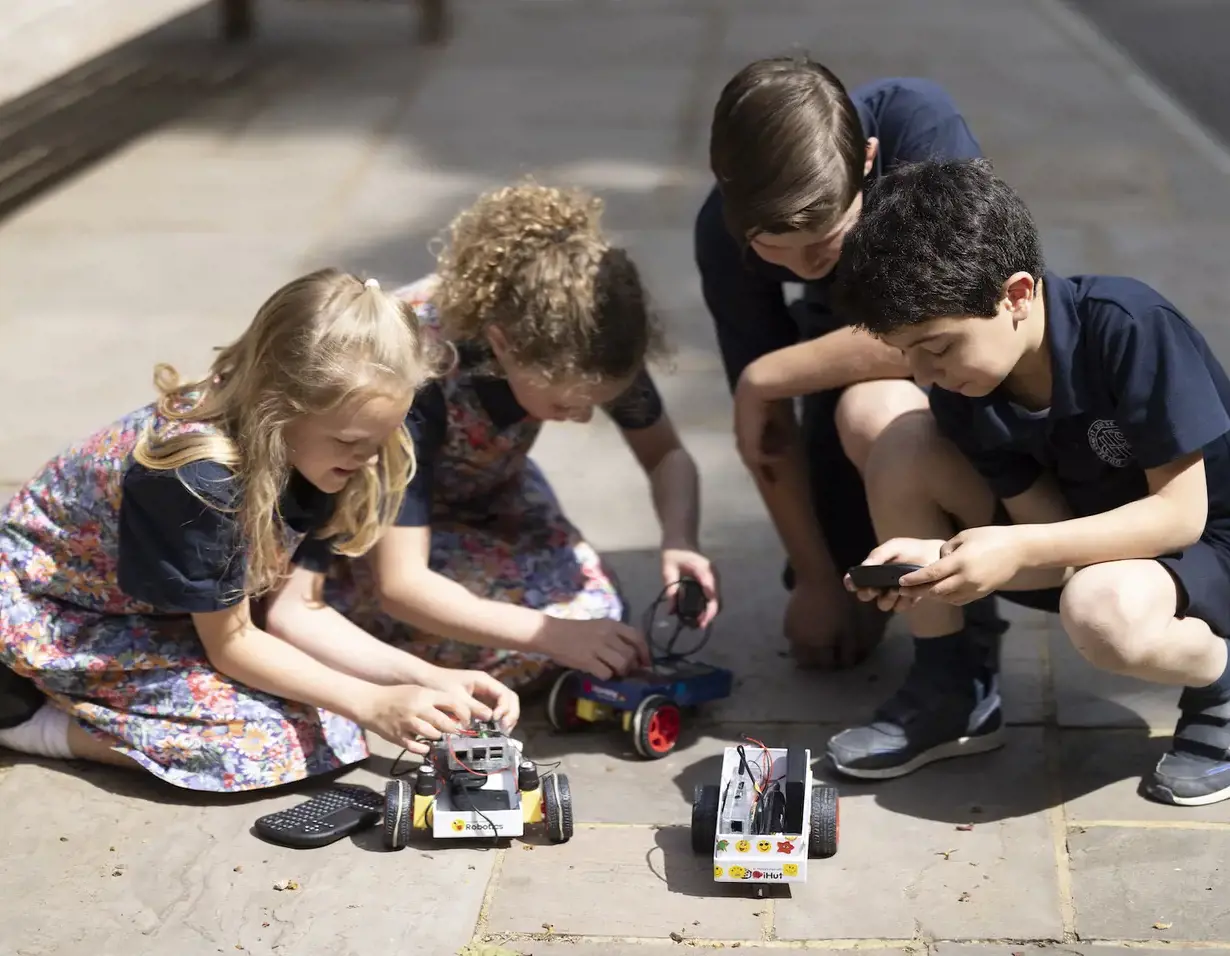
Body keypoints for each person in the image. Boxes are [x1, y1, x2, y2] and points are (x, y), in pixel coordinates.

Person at [0, 268, 518, 792]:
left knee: (330, 725)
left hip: (161, 609)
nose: (366, 458)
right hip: (50, 612)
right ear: (279, 407)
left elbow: (298, 613)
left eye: (382, 438)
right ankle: (25, 720)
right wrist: (371, 701)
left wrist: (426, 676)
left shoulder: (320, 446)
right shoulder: (197, 478)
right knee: (262, 745)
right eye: (348, 442)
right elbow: (233, 644)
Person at [828, 156, 1230, 805]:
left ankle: (1222, 685)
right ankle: (951, 688)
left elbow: (1179, 516)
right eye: (908, 354)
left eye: (936, 347)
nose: (924, 374)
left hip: (1209, 547)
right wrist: (941, 562)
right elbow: (1049, 545)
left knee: (1102, 612)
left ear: (1015, 294)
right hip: (1090, 548)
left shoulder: (1127, 325)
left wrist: (1011, 548)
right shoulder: (971, 383)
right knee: (902, 440)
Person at [323, 182, 720, 691]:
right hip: (373, 530)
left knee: (597, 611)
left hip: (488, 494)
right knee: (538, 642)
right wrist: (551, 635)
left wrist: (679, 539)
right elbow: (401, 584)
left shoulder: (595, 338)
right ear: (502, 346)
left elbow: (666, 455)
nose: (579, 418)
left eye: (593, 404)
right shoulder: (417, 377)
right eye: (565, 404)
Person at [694, 54, 1007, 675]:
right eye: (777, 252)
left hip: (986, 402)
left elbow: (966, 322)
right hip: (839, 383)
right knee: (835, 631)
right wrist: (812, 577)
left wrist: (767, 376)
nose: (807, 266)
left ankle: (960, 659)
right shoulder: (721, 227)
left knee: (875, 413)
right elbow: (768, 434)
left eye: (825, 243)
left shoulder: (920, 129)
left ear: (867, 162)